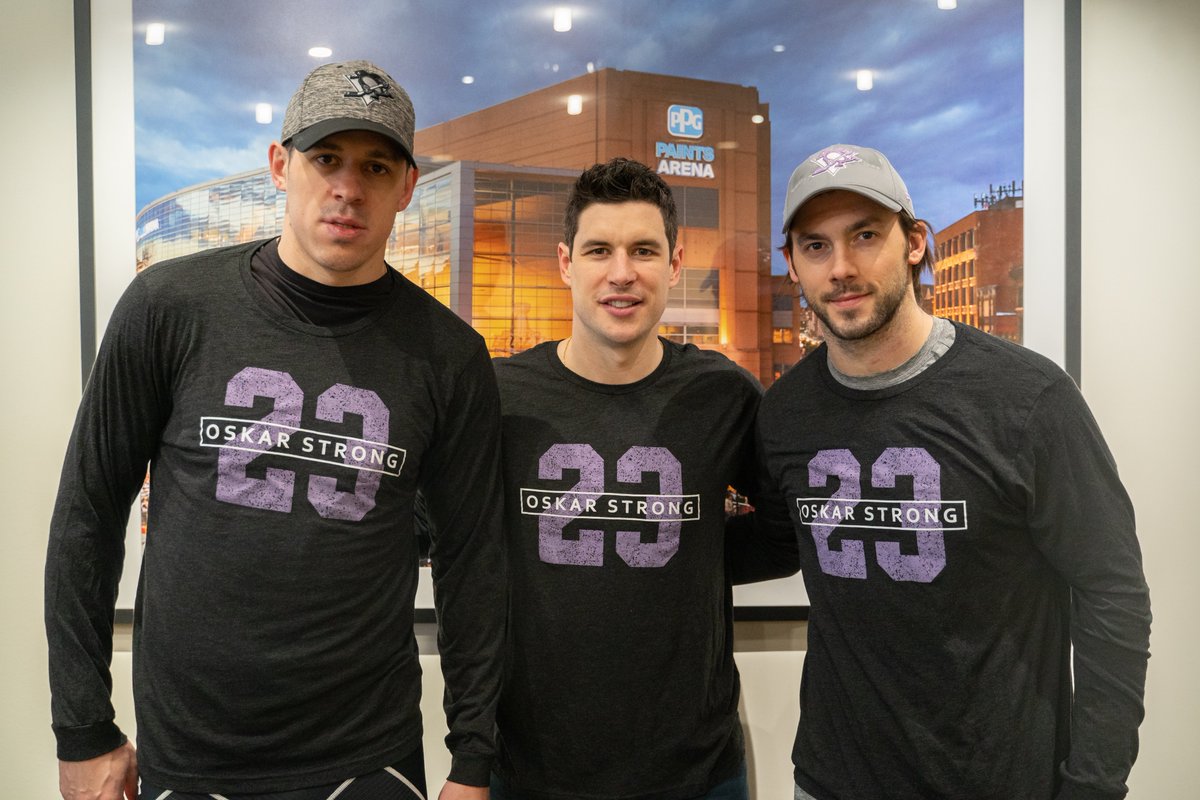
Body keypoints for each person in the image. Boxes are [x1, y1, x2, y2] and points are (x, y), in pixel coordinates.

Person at [45, 60, 506, 800]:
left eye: (375, 167)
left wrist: (474, 758)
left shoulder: (448, 356)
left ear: (407, 186)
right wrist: (82, 727)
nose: (348, 189)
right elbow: (85, 518)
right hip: (190, 753)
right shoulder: (170, 307)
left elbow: (475, 565)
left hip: (367, 757)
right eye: (326, 159)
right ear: (280, 165)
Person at [750, 143, 1152, 799]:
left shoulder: (1026, 399)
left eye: (865, 236)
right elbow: (770, 538)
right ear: (792, 264)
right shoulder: (786, 413)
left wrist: (1095, 783)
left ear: (915, 242)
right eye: (815, 246)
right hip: (831, 783)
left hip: (999, 781)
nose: (842, 267)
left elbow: (1114, 594)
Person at [489, 158, 778, 800]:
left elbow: (784, 531)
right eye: (600, 250)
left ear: (674, 265)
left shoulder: (723, 395)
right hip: (533, 768)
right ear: (566, 262)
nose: (622, 273)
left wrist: (694, 552)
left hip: (697, 772)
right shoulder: (501, 399)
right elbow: (452, 543)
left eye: (644, 250)